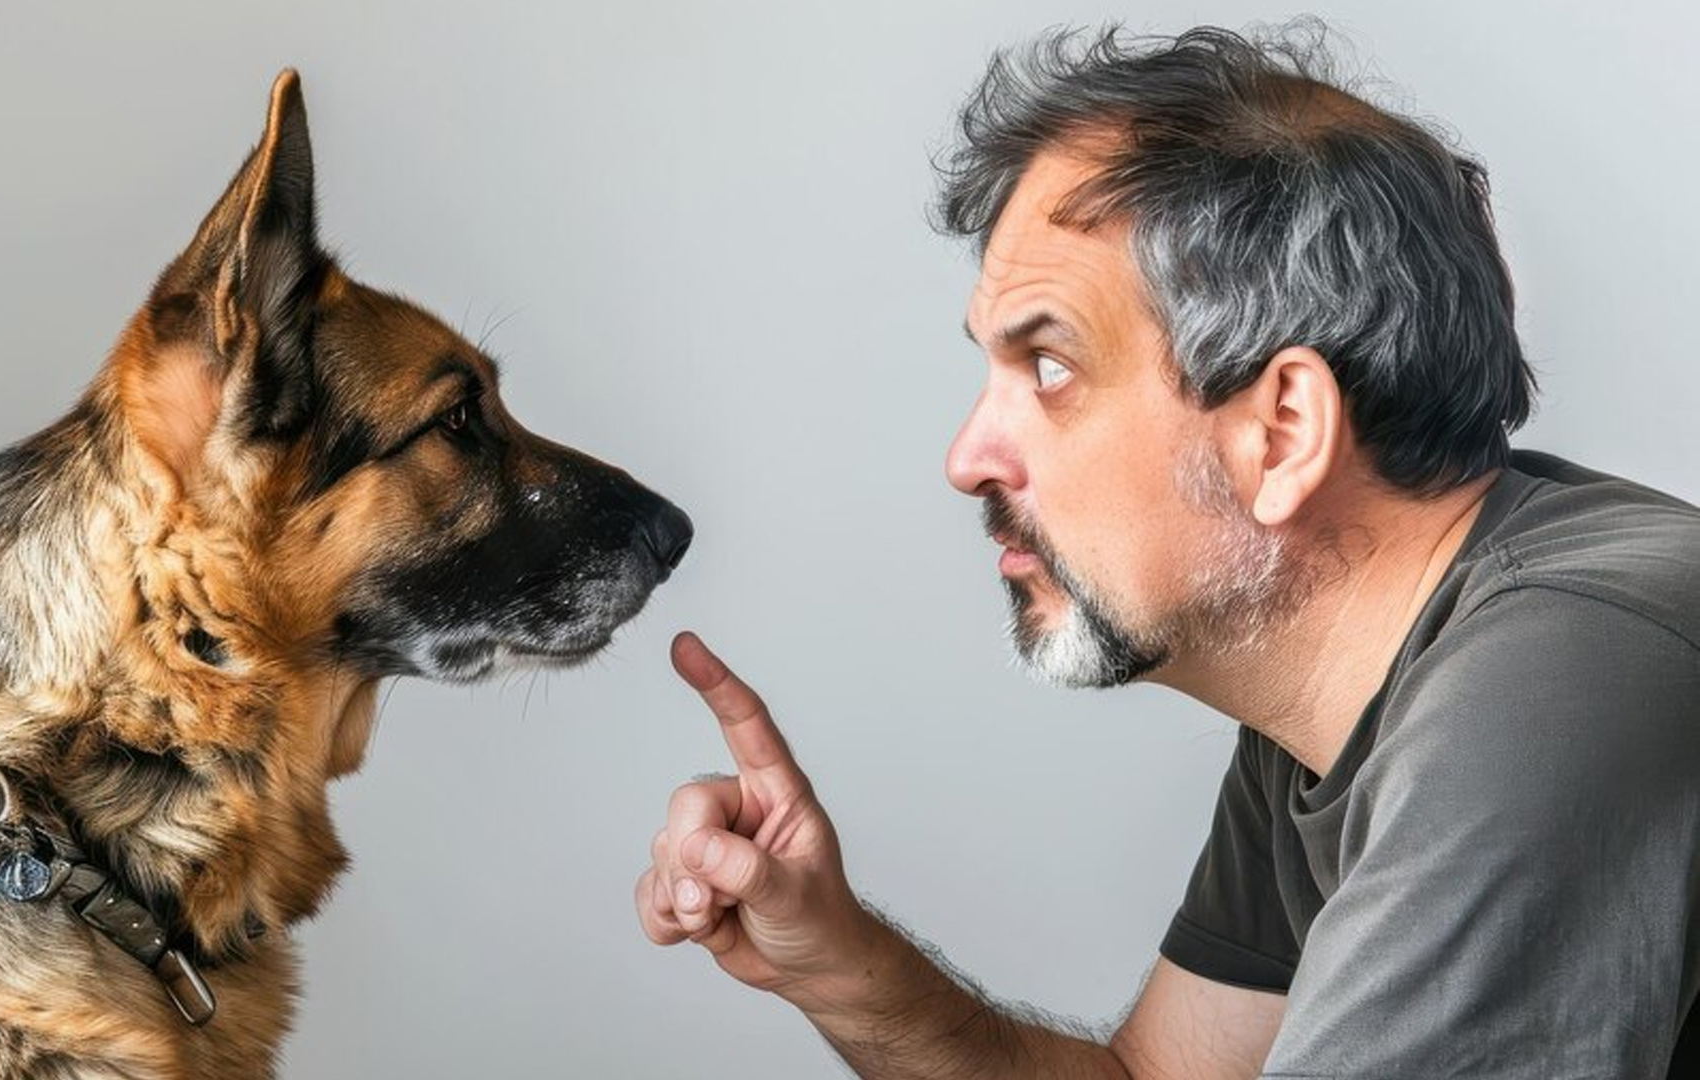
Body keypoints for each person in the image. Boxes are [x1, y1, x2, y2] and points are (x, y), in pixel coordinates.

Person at [634, 24, 1700, 1080]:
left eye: (1048, 367)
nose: (967, 458)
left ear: (1283, 431)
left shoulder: (1551, 687)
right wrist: (834, 964)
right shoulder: (1341, 701)